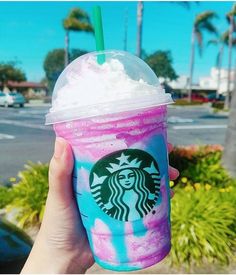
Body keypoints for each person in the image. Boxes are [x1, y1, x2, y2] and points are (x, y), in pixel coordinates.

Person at [21, 137, 179, 274]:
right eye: (121, 176)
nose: (126, 179)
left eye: (131, 175)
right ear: (115, 180)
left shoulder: (143, 195)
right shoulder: (115, 200)